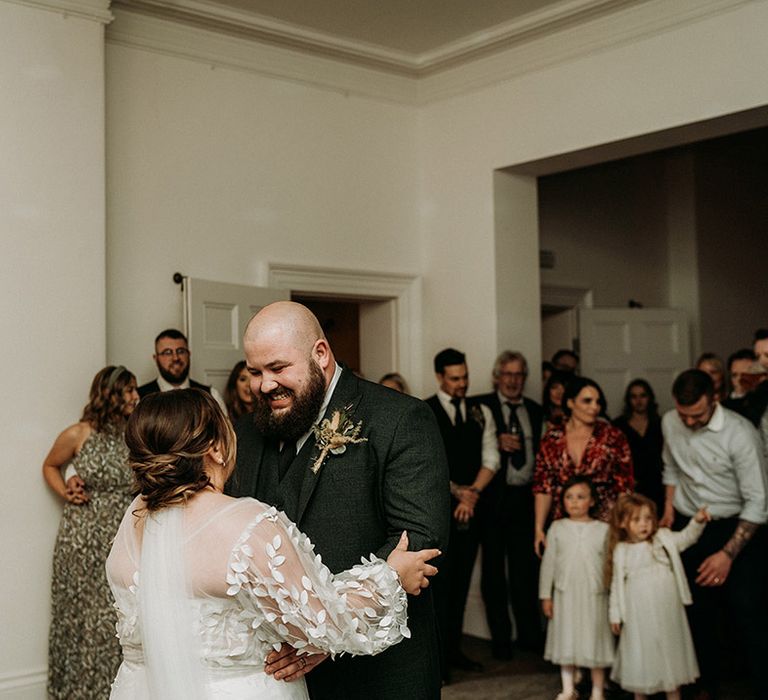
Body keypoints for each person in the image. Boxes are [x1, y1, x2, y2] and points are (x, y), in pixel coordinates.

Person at [107, 389, 441, 700]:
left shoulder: (132, 517)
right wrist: (391, 576)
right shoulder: (248, 524)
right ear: (216, 447)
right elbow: (323, 623)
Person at [228, 301, 449, 699]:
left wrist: (325, 631)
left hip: (379, 671)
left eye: (278, 368)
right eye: (255, 372)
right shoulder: (246, 433)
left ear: (321, 354)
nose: (264, 385)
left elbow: (417, 539)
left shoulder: (398, 419)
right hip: (274, 672)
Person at [660, 369, 768, 700]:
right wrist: (667, 511)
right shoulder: (669, 422)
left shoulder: (741, 434)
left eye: (698, 415)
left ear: (715, 399)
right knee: (694, 611)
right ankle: (704, 686)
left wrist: (726, 555)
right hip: (690, 523)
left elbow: (759, 502)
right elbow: (672, 467)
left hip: (737, 527)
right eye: (683, 414)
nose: (689, 423)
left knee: (747, 610)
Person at [42, 365, 139, 699]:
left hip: (122, 536)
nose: (136, 397)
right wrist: (66, 489)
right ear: (109, 394)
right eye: (128, 390)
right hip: (80, 539)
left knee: (113, 619)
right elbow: (50, 464)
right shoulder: (78, 433)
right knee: (79, 619)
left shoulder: (137, 433)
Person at [425, 348, 499, 676]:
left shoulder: (481, 411)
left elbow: (492, 458)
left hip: (473, 508)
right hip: (439, 510)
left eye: (465, 376)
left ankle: (455, 651)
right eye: (455, 378)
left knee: (463, 582)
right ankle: (437, 661)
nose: (463, 383)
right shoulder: (424, 411)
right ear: (440, 377)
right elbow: (428, 463)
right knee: (441, 585)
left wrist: (472, 497)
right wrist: (457, 493)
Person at [476, 350, 545, 658]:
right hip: (493, 501)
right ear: (497, 377)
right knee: (493, 574)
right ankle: (501, 641)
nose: (514, 381)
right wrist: (496, 442)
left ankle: (530, 638)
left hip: (526, 500)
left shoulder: (535, 409)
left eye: (519, 375)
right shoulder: (481, 406)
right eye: (508, 375)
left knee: (525, 572)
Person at [607, 493, 710, 700]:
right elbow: (616, 585)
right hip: (639, 612)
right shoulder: (622, 550)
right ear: (622, 523)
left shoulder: (663, 538)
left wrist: (696, 522)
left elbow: (686, 538)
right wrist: (615, 614)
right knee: (642, 653)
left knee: (670, 653)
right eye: (636, 520)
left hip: (666, 608)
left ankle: (674, 695)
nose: (644, 524)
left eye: (648, 518)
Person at [534, 376, 633, 557]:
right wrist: (539, 528)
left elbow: (624, 485)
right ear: (570, 403)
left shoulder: (613, 437)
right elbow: (544, 486)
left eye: (598, 402)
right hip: (564, 521)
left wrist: (623, 524)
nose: (594, 407)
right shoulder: (552, 438)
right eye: (587, 401)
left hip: (604, 522)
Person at [539, 476, 613, 700]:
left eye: (580, 497)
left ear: (591, 501)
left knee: (595, 638)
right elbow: (549, 563)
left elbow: (610, 564)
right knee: (566, 637)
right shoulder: (558, 527)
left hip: (595, 593)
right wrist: (546, 595)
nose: (574, 502)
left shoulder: (603, 529)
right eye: (569, 497)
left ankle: (598, 690)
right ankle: (569, 688)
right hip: (565, 593)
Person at [137, 328, 226, 411]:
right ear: (156, 358)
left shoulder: (211, 395)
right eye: (167, 352)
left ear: (189, 354)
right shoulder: (138, 398)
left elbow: (224, 428)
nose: (175, 358)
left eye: (181, 351)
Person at [612, 379, 664, 515]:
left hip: (657, 485)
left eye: (643, 395)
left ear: (650, 398)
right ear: (628, 400)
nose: (638, 400)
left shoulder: (660, 424)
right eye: (633, 396)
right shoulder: (618, 425)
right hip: (631, 485)